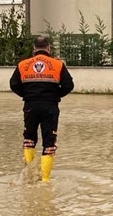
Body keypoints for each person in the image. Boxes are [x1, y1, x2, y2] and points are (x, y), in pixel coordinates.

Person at [10, 36, 74, 181]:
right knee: (49, 141)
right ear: (48, 48)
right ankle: (45, 180)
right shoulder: (57, 64)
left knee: (29, 138)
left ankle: (29, 175)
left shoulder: (23, 64)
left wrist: (27, 94)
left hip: (30, 106)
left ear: (34, 48)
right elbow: (69, 85)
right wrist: (54, 95)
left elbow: (13, 84)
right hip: (50, 106)